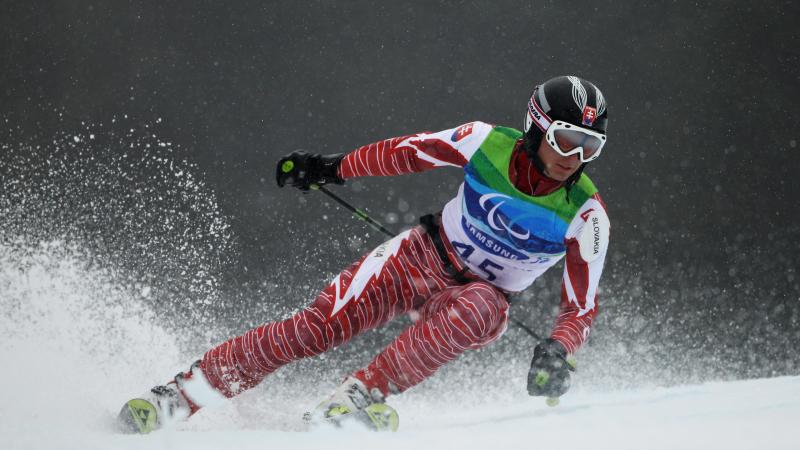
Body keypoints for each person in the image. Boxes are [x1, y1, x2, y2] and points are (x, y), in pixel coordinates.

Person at [118, 75, 611, 433]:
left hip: (480, 301)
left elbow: (580, 308)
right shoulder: (486, 142)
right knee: (313, 329)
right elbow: (407, 151)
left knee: (480, 305)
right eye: (566, 139)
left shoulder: (586, 213)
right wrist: (331, 168)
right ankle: (180, 395)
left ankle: (357, 398)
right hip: (419, 257)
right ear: (536, 127)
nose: (574, 155)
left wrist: (559, 350)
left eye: (590, 145)